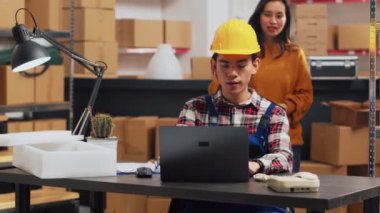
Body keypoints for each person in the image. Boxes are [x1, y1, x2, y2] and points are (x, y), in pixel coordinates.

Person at [169, 18, 293, 213]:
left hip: (257, 206)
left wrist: (255, 164)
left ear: (255, 65)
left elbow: (284, 158)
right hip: (203, 205)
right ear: (213, 66)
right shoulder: (194, 109)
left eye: (241, 65)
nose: (232, 73)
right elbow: (177, 157)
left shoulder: (274, 114)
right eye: (224, 65)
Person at [208, 0, 313, 173]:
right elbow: (216, 87)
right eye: (268, 14)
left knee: (281, 195)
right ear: (258, 16)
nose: (273, 21)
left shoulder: (295, 53)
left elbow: (306, 94)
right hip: (240, 133)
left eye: (279, 15)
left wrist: (280, 109)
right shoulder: (244, 50)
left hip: (284, 135)